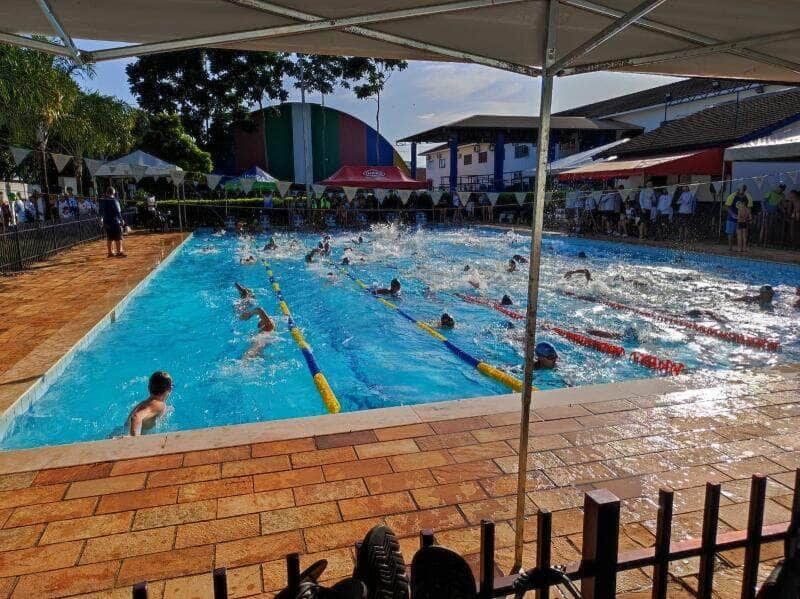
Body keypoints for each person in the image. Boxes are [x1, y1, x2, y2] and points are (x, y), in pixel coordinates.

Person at [126, 371, 173, 436]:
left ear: (149, 388)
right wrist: (135, 441)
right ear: (170, 389)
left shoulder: (144, 403)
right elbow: (136, 417)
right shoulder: (159, 405)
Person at [99, 187, 126, 257]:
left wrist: (102, 220)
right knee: (118, 237)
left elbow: (101, 212)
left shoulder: (103, 201)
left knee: (109, 238)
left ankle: (110, 252)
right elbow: (117, 211)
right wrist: (121, 219)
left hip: (106, 222)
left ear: (107, 192)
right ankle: (119, 251)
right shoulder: (114, 200)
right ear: (113, 192)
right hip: (115, 221)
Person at [725, 186, 753, 251]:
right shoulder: (732, 196)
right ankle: (743, 248)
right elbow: (727, 206)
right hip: (738, 220)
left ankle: (739, 249)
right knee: (741, 235)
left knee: (739, 236)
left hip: (739, 222)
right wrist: (749, 219)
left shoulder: (741, 208)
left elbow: (739, 216)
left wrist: (738, 217)